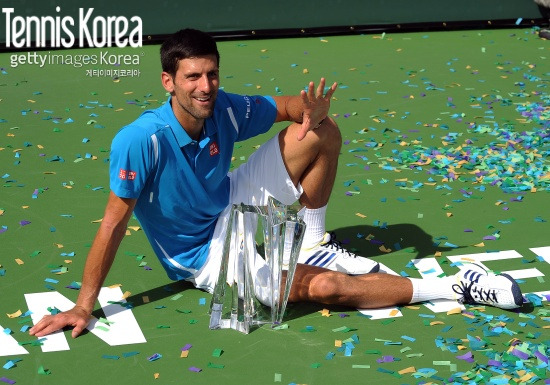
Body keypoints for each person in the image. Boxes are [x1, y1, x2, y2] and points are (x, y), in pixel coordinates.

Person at [29, 29, 522, 339]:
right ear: (168, 82)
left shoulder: (222, 106)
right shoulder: (140, 141)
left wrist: (311, 110)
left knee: (320, 131)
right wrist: (84, 305)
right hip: (204, 256)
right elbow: (114, 225)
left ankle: (313, 238)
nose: (206, 86)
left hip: (230, 203)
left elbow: (287, 108)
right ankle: (455, 286)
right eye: (193, 77)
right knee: (326, 288)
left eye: (213, 75)